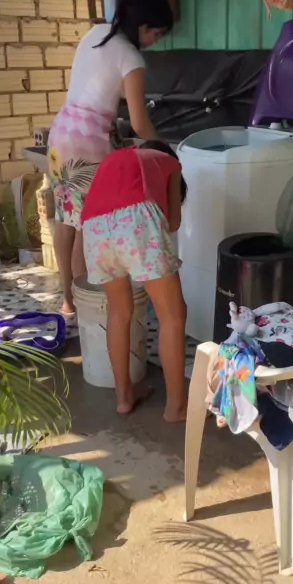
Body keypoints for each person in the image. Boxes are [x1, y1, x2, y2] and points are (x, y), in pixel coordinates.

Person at [47, 0, 174, 315]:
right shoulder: (131, 58)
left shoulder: (96, 33)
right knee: (88, 223)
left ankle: (68, 297)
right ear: (143, 26)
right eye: (156, 34)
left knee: (65, 218)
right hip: (88, 144)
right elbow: (140, 123)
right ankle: (87, 303)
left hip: (61, 134)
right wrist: (166, 150)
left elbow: (96, 89)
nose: (155, 41)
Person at [81, 140, 188, 422]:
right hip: (135, 221)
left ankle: (124, 398)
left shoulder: (114, 161)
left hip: (93, 228)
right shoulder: (171, 163)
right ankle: (177, 407)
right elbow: (173, 222)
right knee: (173, 316)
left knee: (119, 311)